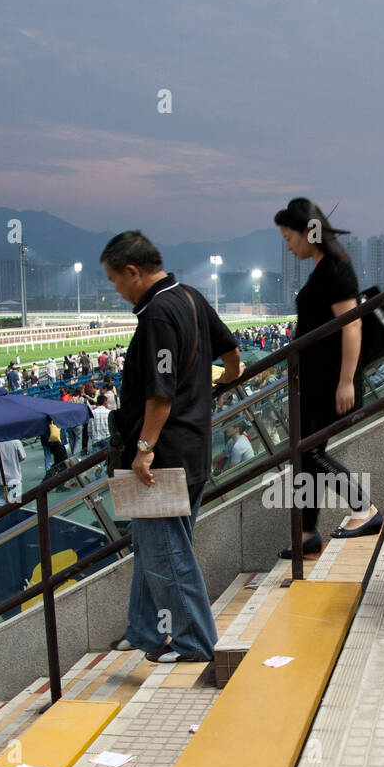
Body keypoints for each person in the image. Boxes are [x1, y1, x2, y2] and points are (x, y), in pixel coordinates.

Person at [100, 229, 242, 663]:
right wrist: (216, 385)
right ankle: (144, 629)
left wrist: (145, 448)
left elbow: (159, 393)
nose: (116, 290)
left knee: (169, 555)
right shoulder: (192, 297)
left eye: (115, 280)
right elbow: (233, 355)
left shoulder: (158, 313)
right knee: (152, 546)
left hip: (162, 457)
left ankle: (195, 643)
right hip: (194, 446)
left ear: (132, 271)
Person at [274, 197, 383, 555]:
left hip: (327, 383)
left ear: (308, 233)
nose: (288, 247)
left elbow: (352, 326)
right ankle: (307, 533)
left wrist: (346, 381)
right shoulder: (324, 269)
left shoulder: (336, 269)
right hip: (314, 380)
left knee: (311, 454)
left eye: (289, 238)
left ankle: (364, 509)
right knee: (306, 454)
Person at [0, 438, 26, 503]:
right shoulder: (16, 442)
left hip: (1, 475)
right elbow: (22, 457)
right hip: (14, 474)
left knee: (2, 499)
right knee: (16, 500)